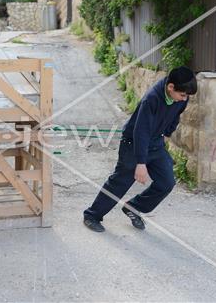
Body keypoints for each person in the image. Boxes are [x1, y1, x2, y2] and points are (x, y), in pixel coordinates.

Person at [83, 66, 197, 232]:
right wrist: (141, 163)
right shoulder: (151, 99)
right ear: (170, 87)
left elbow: (176, 115)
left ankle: (133, 208)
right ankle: (92, 215)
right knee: (120, 182)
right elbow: (140, 132)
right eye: (182, 95)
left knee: (166, 183)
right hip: (133, 143)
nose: (184, 99)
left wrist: (167, 133)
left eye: (186, 96)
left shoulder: (181, 98)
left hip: (156, 143)